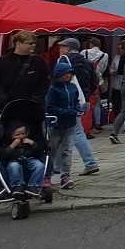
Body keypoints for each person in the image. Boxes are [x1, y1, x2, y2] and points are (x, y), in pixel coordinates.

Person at [55, 38, 100, 175]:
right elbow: (95, 81)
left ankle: (90, 162)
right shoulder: (87, 61)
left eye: (62, 47)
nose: (59, 50)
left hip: (68, 100)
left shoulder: (64, 60)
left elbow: (57, 81)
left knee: (76, 132)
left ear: (68, 48)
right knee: (60, 131)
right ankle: (56, 166)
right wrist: (85, 95)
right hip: (84, 99)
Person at [46, 57, 83, 190]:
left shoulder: (73, 87)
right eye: (65, 74)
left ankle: (65, 176)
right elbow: (50, 107)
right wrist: (69, 112)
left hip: (70, 124)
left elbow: (76, 101)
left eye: (70, 73)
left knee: (67, 150)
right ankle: (46, 176)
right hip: (56, 124)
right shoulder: (53, 89)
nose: (68, 76)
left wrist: (78, 109)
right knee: (52, 150)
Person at [0, 30, 51, 111]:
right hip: (8, 107)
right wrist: (1, 99)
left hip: (32, 107)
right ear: (18, 43)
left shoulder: (39, 61)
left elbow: (45, 81)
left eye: (34, 43)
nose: (33, 45)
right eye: (30, 43)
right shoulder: (2, 62)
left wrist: (36, 99)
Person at [0, 120, 47, 198]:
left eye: (23, 134)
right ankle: (18, 186)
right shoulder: (5, 142)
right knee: (14, 166)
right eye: (17, 135)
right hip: (13, 160)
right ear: (10, 134)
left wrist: (32, 143)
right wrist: (12, 145)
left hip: (29, 159)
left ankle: (33, 185)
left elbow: (40, 150)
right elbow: (2, 155)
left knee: (39, 165)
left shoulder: (28, 140)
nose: (21, 136)